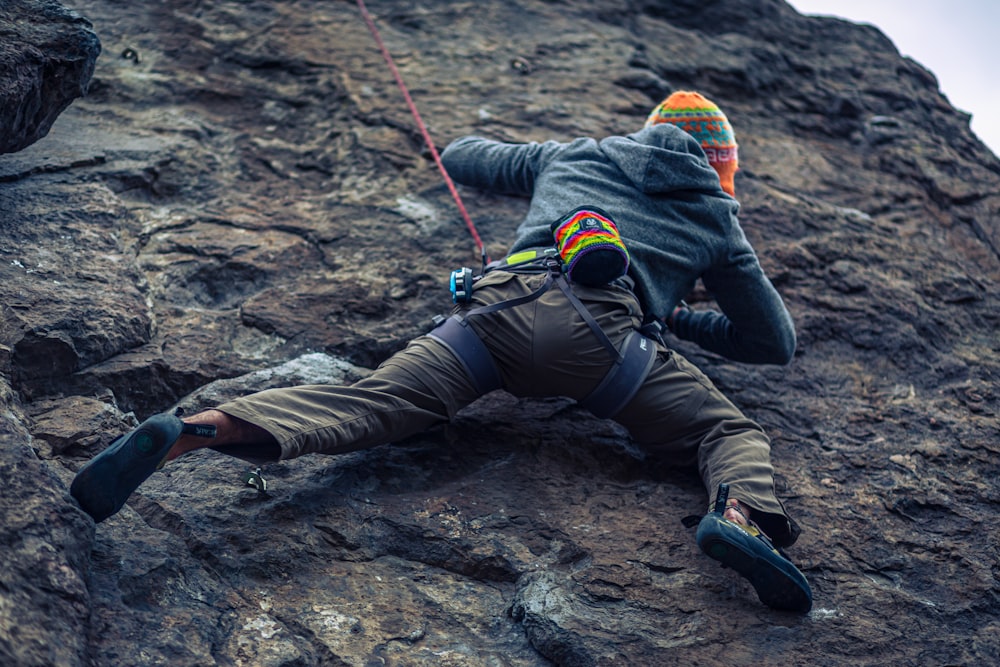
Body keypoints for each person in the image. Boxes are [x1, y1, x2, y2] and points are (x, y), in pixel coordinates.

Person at [70, 91, 812, 613]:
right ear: (722, 167)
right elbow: (771, 342)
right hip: (605, 347)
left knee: (370, 401)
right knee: (729, 431)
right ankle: (739, 516)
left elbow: (461, 154)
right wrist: (680, 318)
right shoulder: (715, 215)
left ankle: (198, 430)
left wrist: (544, 169)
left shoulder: (578, 153)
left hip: (492, 316)